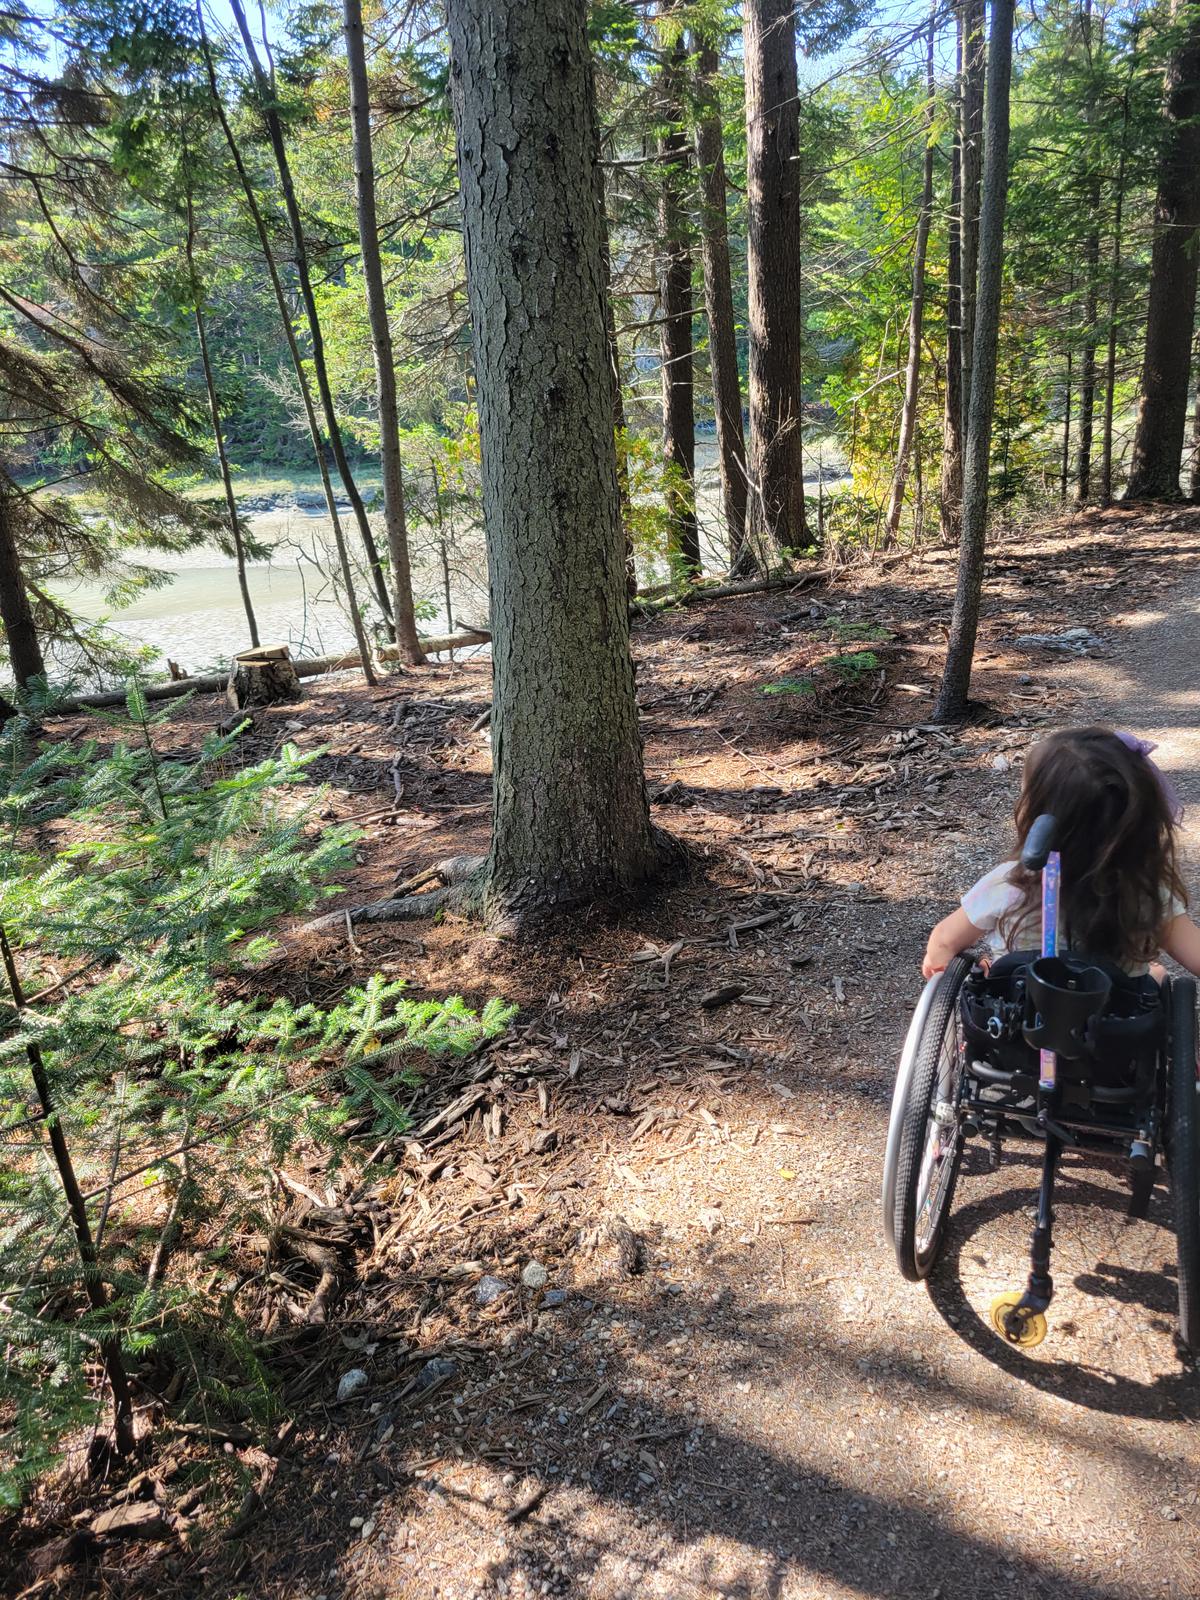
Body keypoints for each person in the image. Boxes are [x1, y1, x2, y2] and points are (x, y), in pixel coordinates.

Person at [922, 726, 1200, 981]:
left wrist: (953, 976)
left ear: (1037, 818)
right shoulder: (1146, 890)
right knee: (1158, 975)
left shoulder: (1009, 884)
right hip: (1117, 1025)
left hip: (1019, 1022)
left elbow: (944, 942)